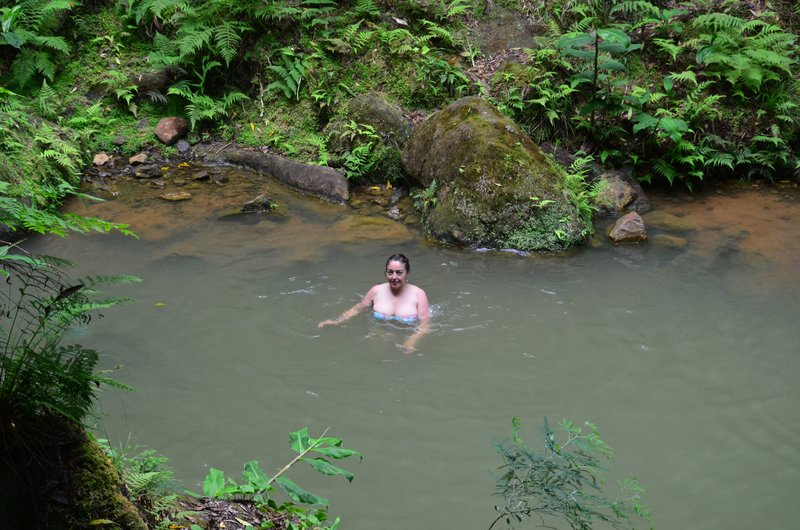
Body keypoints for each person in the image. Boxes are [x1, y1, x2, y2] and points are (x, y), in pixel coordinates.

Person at [318, 253, 430, 352]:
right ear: (385, 272)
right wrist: (338, 321)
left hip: (405, 342)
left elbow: (425, 325)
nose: (394, 277)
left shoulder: (419, 295)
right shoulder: (376, 291)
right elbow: (358, 308)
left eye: (399, 273)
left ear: (407, 273)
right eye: (390, 272)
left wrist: (411, 341)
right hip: (378, 340)